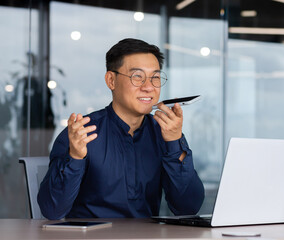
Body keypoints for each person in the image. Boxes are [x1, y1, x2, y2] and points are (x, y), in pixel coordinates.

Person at [37, 38, 205, 220]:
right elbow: (52, 210)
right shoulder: (82, 133)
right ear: (111, 80)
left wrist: (174, 142)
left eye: (155, 77)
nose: (149, 87)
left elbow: (188, 208)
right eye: (137, 76)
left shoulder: (165, 133)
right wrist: (75, 156)